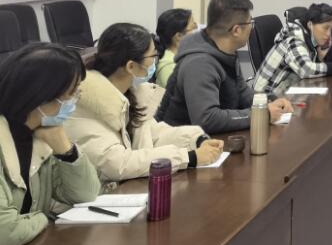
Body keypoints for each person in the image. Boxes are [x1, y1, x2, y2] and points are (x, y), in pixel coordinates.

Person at [66, 23, 224, 184]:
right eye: (153, 56)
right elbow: (117, 163)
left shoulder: (129, 93)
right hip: (102, 194)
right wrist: (188, 157)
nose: (155, 62)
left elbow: (152, 135)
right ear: (131, 66)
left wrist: (195, 139)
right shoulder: (85, 102)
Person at [0, 43, 100, 245]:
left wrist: (66, 151)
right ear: (39, 95)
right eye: (71, 93)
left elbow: (86, 195)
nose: (75, 99)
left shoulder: (41, 134)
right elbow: (5, 232)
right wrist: (45, 217)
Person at [156, 0, 293, 133]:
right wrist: (262, 114)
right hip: (178, 142)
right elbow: (207, 119)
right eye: (250, 23)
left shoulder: (225, 51)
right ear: (236, 30)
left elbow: (243, 94)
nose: (252, 28)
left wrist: (271, 101)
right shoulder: (199, 63)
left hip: (210, 139)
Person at [254, 3, 332, 95]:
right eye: (325, 28)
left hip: (285, 91)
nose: (328, 34)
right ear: (310, 24)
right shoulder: (294, 39)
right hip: (265, 98)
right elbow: (306, 70)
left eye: (331, 29)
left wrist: (320, 57)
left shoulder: (308, 39)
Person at [155, 8, 196, 89]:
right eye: (193, 27)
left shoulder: (184, 57)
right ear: (179, 36)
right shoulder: (169, 66)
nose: (197, 30)